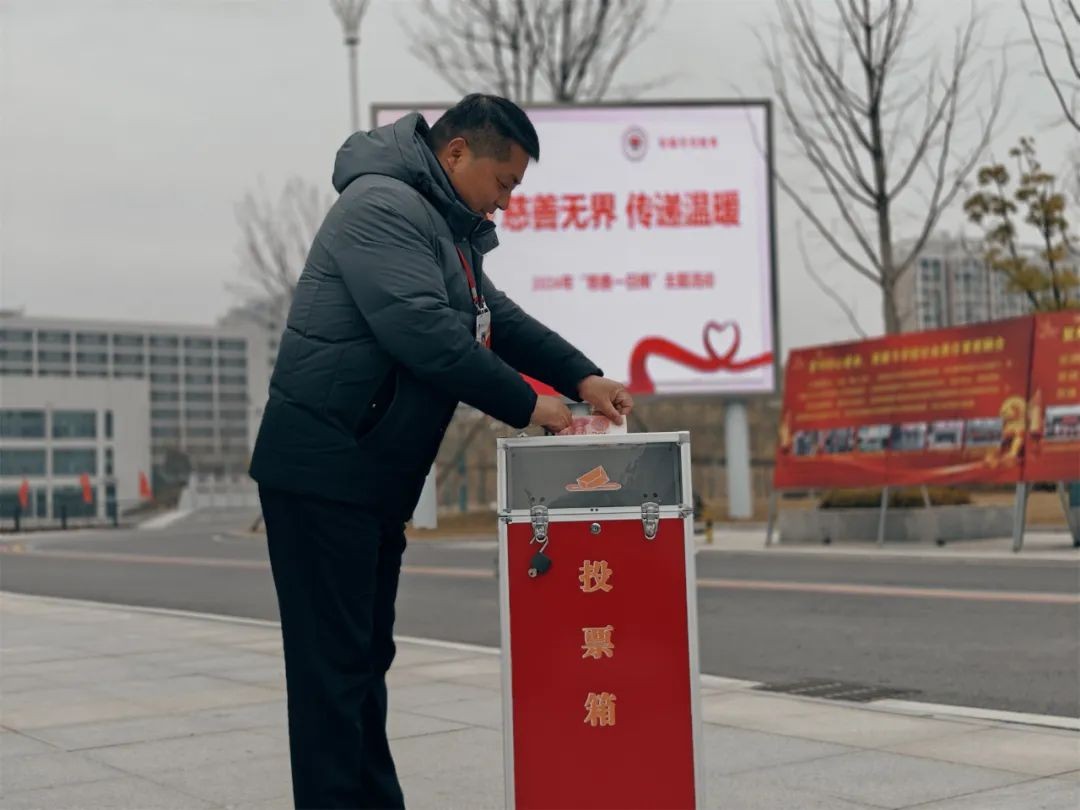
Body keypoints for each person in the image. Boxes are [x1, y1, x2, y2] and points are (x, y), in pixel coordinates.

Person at [249, 93, 633, 809]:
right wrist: (528, 404)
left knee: (364, 661)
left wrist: (581, 376)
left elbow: (496, 320)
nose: (507, 201)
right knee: (333, 671)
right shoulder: (381, 207)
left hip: (366, 474)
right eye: (504, 182)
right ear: (456, 153)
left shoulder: (444, 228)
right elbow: (422, 332)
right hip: (325, 470)